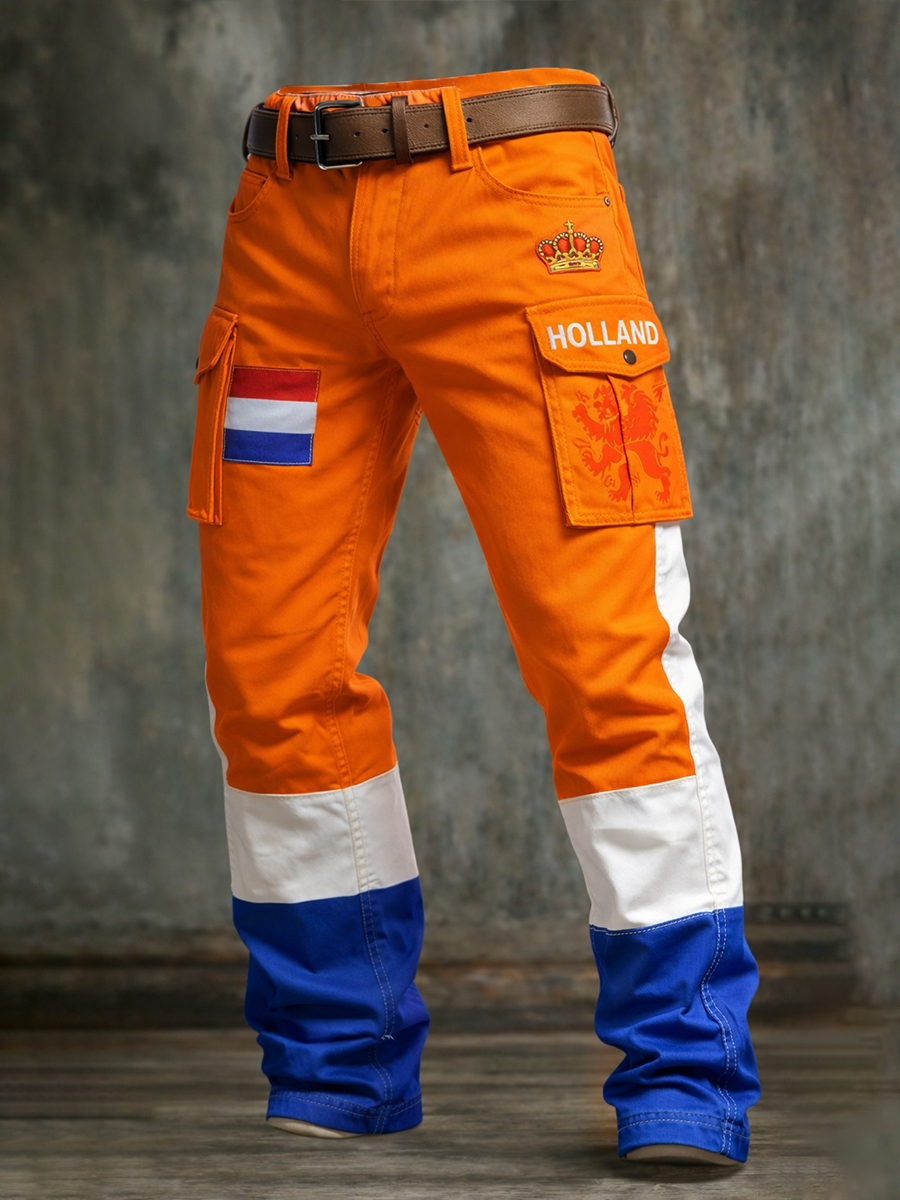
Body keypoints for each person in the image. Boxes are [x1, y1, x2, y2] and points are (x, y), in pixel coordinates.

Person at [187, 68, 760, 1165]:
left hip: (524, 219)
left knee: (605, 661)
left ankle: (685, 1073)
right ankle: (335, 1060)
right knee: (269, 674)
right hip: (288, 227)